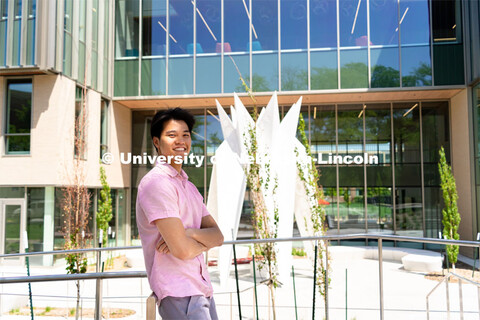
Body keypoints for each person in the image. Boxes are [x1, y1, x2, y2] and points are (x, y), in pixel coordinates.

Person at [136, 108, 224, 320]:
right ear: (157, 142)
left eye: (185, 135)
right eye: (172, 135)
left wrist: (189, 234)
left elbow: (218, 236)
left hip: (201, 288)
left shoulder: (189, 187)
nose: (181, 141)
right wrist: (188, 241)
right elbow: (183, 252)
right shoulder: (156, 184)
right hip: (178, 292)